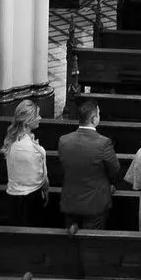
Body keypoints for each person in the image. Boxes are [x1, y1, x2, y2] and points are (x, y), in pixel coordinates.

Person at [58, 98, 120, 229]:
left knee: (71, 245)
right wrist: (110, 183)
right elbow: (115, 168)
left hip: (71, 200)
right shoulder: (104, 143)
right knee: (92, 245)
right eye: (98, 114)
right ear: (94, 119)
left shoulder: (64, 140)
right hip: (95, 202)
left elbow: (65, 165)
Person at [3, 99, 49, 225]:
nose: (40, 118)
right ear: (28, 120)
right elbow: (41, 176)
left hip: (12, 197)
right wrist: (46, 191)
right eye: (37, 115)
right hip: (31, 199)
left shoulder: (11, 142)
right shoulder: (34, 149)